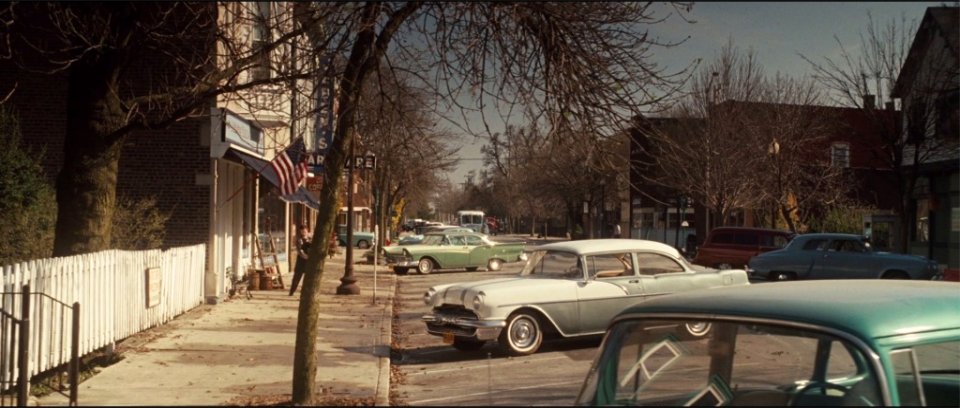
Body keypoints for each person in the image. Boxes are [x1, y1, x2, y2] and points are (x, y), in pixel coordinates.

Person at [289, 224, 312, 296]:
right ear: (300, 232)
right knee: (297, 277)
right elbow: (300, 251)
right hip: (301, 261)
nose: (304, 232)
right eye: (302, 231)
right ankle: (292, 291)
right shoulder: (299, 240)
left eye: (305, 231)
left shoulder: (311, 239)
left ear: (307, 231)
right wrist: (306, 257)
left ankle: (305, 292)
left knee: (308, 278)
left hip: (309, 261)